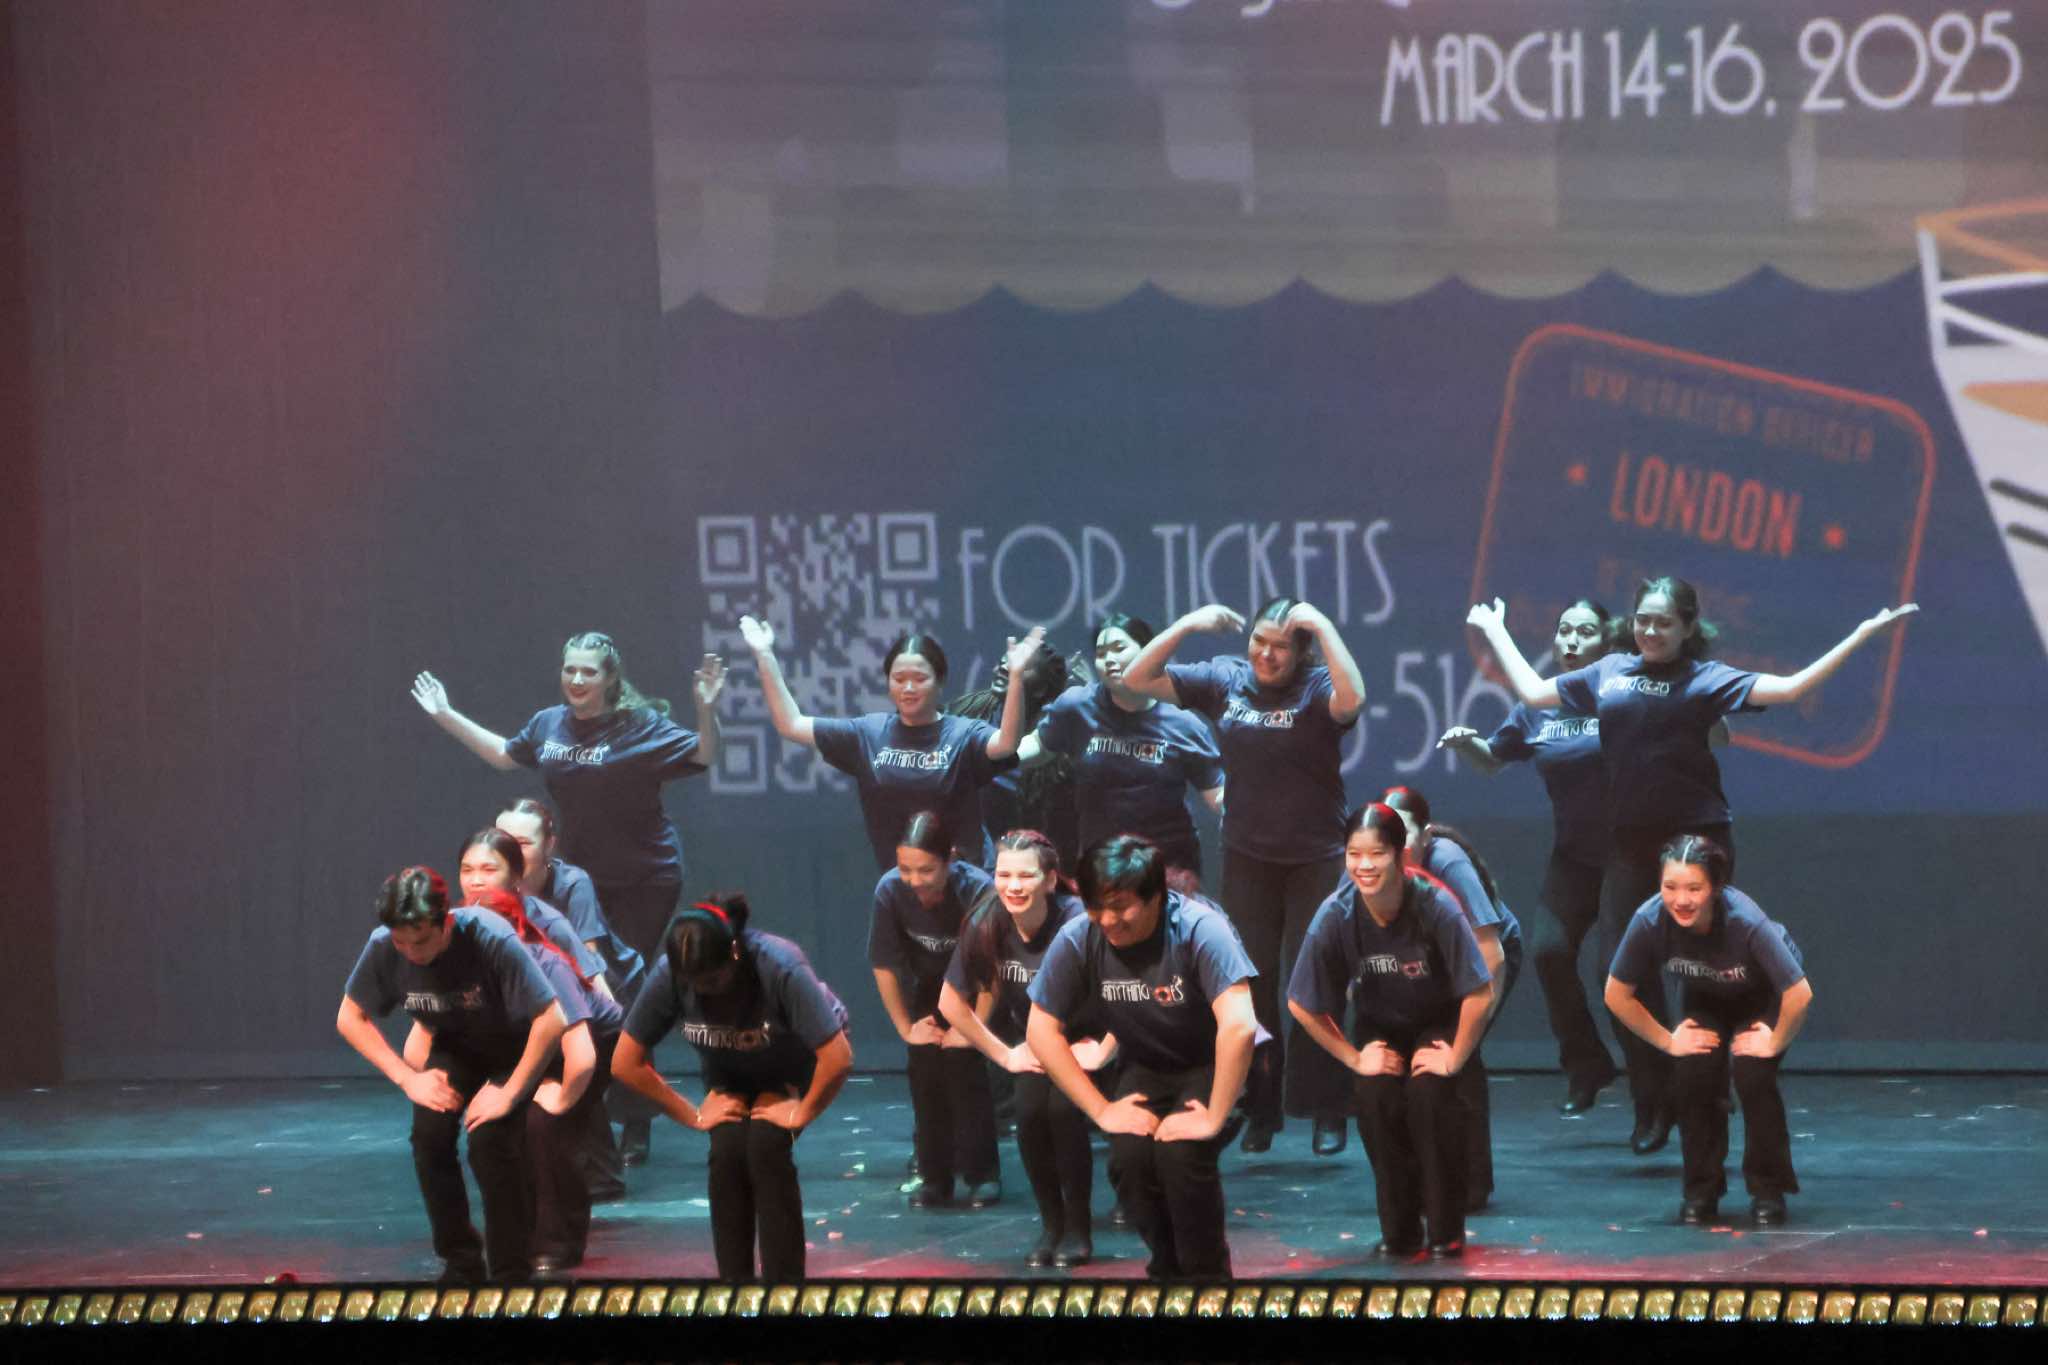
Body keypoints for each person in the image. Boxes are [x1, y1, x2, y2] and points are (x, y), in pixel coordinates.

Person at [1468, 578, 1912, 1153]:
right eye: (1642, 620)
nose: (1650, 631)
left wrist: (1862, 634)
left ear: (1686, 628)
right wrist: (1495, 629)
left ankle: (1714, 1082)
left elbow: (1793, 687)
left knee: (1703, 965)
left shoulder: (1705, 679)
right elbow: (1532, 693)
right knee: (1620, 974)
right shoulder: (1609, 672)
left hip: (1695, 841)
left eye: (1663, 623)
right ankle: (1653, 1102)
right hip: (1629, 842)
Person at [1123, 597, 1364, 1156]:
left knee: (1314, 980)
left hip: (1314, 857)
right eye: (1259, 641)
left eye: (1280, 646)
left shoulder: (1317, 685)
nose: (1266, 654)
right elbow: (1137, 678)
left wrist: (1323, 624)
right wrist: (1187, 624)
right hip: (1248, 857)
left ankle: (1326, 1107)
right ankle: (1261, 1107)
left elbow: (1353, 699)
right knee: (1251, 985)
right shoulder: (1224, 679)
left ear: (1300, 652)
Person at [1026, 834, 1259, 1279]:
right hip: (1147, 1065)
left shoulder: (1199, 929)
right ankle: (1166, 1269)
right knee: (1129, 1159)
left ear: (1156, 897)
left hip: (1214, 1062)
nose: (1107, 920)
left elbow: (1239, 1026)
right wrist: (1100, 1109)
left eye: (1120, 907)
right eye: (1095, 907)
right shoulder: (1081, 936)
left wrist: (1213, 1116)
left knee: (1181, 1156)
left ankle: (1207, 1280)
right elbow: (1040, 1028)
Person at [411, 632, 725, 959]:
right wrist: (445, 714)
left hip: (643, 876)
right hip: (581, 875)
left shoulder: (639, 725)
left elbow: (705, 754)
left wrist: (707, 710)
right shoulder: (548, 723)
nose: (576, 680)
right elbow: (504, 756)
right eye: (569, 670)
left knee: (618, 973)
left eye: (589, 672)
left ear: (610, 678)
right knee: (571, 965)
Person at [1439, 599, 1625, 1118]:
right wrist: (1468, 744)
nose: (1571, 640)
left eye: (1584, 631)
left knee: (1617, 972)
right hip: (1574, 858)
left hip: (1629, 857)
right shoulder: (1537, 708)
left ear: (1607, 643)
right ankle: (1586, 1065)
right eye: (1563, 630)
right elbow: (1493, 761)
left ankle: (1660, 1087)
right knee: (1548, 953)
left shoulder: (1621, 696)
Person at [336, 867, 566, 1283]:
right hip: (457, 1046)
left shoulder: (490, 938)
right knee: (429, 1135)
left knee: (489, 1142)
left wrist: (510, 1093)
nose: (411, 952)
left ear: (446, 922)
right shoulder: (383, 946)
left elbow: (552, 1020)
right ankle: (461, 1261)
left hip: (516, 1049)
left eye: (422, 940)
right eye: (402, 942)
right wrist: (408, 1079)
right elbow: (349, 1017)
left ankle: (511, 1271)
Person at [612, 894, 854, 1281]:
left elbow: (837, 1057)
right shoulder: (671, 973)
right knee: (726, 1150)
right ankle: (733, 1286)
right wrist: (692, 1115)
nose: (701, 991)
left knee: (765, 1146)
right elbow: (625, 1062)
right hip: (729, 1069)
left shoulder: (779, 965)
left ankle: (783, 1289)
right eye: (692, 983)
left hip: (797, 1061)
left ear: (734, 954)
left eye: (711, 981)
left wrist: (801, 1111)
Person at [1287, 804, 1493, 1259]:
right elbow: (1301, 1003)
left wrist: (1455, 1057)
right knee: (1375, 1097)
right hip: (1379, 1025)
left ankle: (1446, 1231)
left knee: (1429, 1095)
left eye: (1377, 854)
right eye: (1354, 854)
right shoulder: (1336, 914)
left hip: (1438, 1019)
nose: (1364, 865)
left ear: (1400, 856)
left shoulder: (1436, 905)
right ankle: (1400, 1233)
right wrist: (1354, 1058)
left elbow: (1479, 990)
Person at [1604, 835, 1811, 1226]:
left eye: (1694, 889)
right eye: (1670, 887)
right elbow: (1616, 994)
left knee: (1752, 1074)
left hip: (1762, 994)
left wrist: (1775, 1041)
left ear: (1715, 887)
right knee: (1693, 1073)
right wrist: (1668, 1041)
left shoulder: (1745, 920)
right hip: (1706, 995)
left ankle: (1768, 1189)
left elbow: (1799, 994)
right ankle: (1701, 1190)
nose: (1680, 900)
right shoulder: (1649, 920)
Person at [739, 617, 1043, 870]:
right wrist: (764, 655)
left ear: (940, 682)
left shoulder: (962, 734)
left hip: (970, 884)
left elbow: (1006, 743)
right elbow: (791, 724)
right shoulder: (867, 733)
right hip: (906, 887)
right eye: (898, 679)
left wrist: (1016, 677)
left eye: (919, 678)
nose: (908, 687)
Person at [939, 830, 1112, 1268]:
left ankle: (1078, 1229)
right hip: (1037, 1044)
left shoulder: (1079, 922)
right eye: (1004, 875)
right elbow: (949, 1003)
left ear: (1050, 879)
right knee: (1031, 1114)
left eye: (1025, 876)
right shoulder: (988, 920)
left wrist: (1104, 1048)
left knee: (1062, 1112)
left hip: (1090, 1040)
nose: (1013, 886)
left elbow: (1132, 987)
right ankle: (1052, 1226)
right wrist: (1005, 1054)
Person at [463, 887, 622, 1277]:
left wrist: (560, 1099)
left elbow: (582, 1055)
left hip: (593, 1048)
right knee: (490, 1129)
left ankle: (558, 1241)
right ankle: (511, 1235)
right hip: (533, 1046)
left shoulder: (544, 966)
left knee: (542, 1123)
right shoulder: (463, 970)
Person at [496, 797, 651, 1194]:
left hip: (609, 980)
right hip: (552, 987)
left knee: (604, 1062)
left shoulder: (572, 884)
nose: (511, 851)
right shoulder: (496, 884)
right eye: (504, 840)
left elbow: (588, 957)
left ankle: (631, 1132)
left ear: (550, 845)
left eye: (523, 843)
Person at [1379, 786, 1522, 1211]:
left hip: (1486, 957)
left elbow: (1490, 953)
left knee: (1458, 1056)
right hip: (1426, 961)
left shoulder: (1448, 863)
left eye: (1404, 834)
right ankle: (1423, 1177)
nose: (1395, 846)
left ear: (1424, 835)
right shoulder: (1371, 861)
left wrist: (1467, 1033)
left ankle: (1473, 1184)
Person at [1018, 613, 1224, 880]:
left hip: (1169, 868)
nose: (1109, 659)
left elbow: (1216, 795)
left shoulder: (1184, 725)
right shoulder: (1077, 706)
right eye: (1101, 653)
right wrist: (996, 755)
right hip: (1102, 865)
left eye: (1119, 648)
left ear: (1149, 653)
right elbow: (1039, 744)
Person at [869, 811, 1002, 1208]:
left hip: (974, 989)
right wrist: (906, 1028)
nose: (914, 880)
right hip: (928, 990)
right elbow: (884, 965)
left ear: (950, 859)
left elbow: (993, 969)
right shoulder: (889, 891)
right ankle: (934, 1177)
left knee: (965, 1070)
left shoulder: (979, 890)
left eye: (925, 870)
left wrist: (974, 1029)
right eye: (905, 869)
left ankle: (982, 1174)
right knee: (925, 1072)